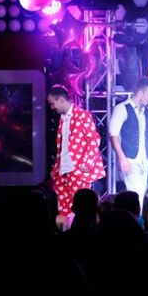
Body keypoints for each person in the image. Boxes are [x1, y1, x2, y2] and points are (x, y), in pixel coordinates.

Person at [48, 85, 105, 218]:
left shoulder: (82, 115)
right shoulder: (62, 119)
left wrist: (87, 163)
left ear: (61, 100)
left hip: (78, 170)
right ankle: (68, 230)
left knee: (81, 208)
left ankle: (82, 229)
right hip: (63, 171)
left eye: (52, 103)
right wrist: (57, 167)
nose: (52, 107)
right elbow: (63, 146)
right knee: (64, 210)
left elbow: (93, 139)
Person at [109, 77, 148, 204]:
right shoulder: (122, 108)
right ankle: (135, 216)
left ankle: (138, 216)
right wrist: (122, 158)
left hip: (144, 161)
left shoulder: (146, 111)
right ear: (140, 93)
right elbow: (113, 135)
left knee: (141, 196)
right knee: (135, 196)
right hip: (130, 160)